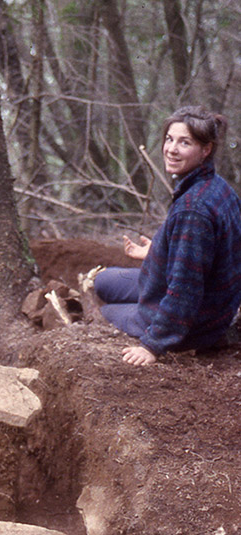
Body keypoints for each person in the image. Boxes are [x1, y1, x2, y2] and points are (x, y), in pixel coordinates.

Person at [94, 106, 241, 366]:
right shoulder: (217, 186)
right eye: (170, 139)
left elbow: (186, 288)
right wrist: (157, 251)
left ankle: (179, 334)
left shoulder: (194, 209)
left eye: (185, 142)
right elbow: (211, 254)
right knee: (102, 281)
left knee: (104, 312)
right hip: (215, 304)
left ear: (205, 150)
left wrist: (153, 345)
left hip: (198, 319)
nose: (171, 149)